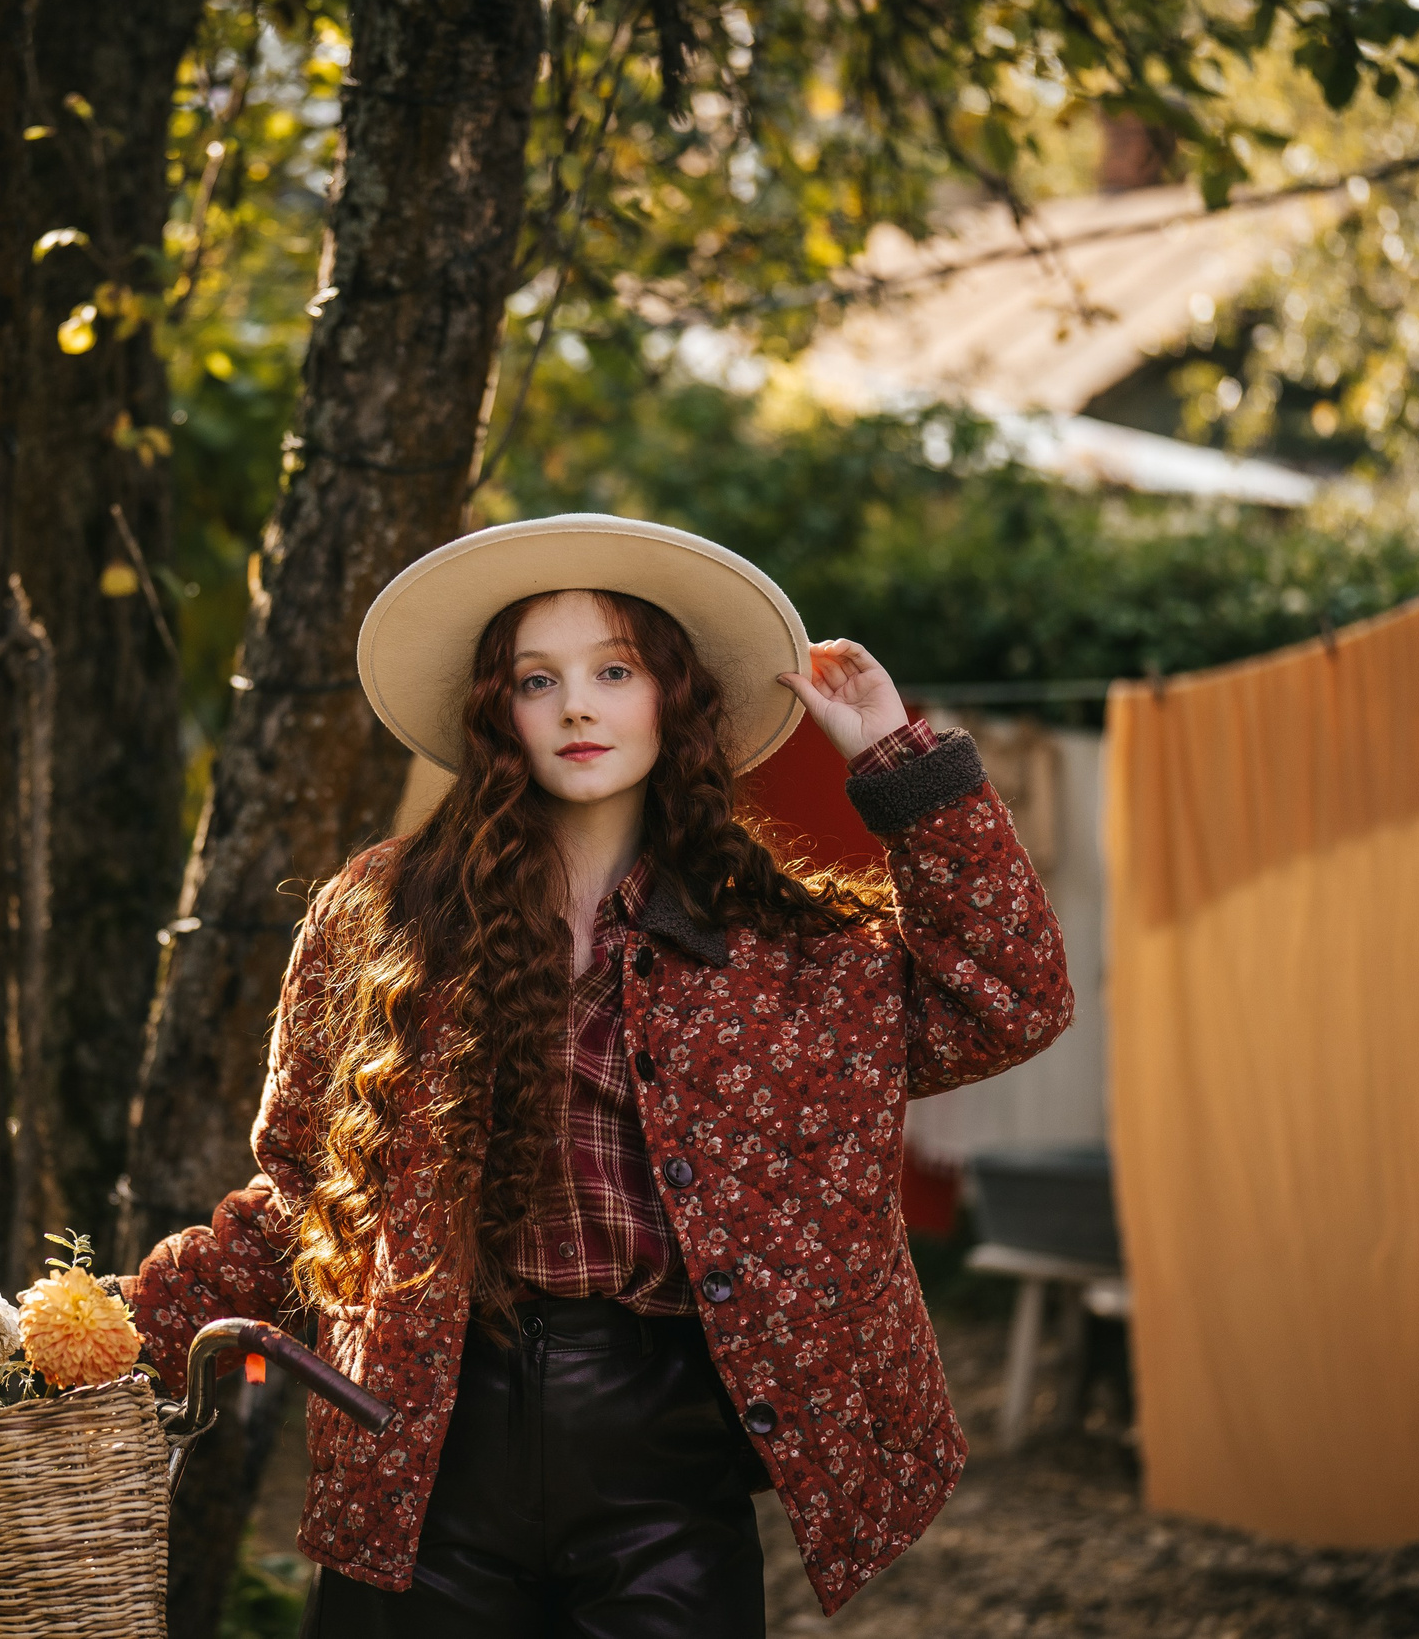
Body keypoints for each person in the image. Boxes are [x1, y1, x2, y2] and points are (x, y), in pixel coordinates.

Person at [122, 515, 1072, 1636]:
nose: (577, 705)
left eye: (613, 670)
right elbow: (302, 1195)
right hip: (421, 1452)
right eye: (538, 679)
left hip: (665, 1474)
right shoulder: (382, 916)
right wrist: (100, 1336)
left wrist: (891, 758)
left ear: (672, 696)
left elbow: (1007, 999)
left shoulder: (778, 950)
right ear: (496, 714)